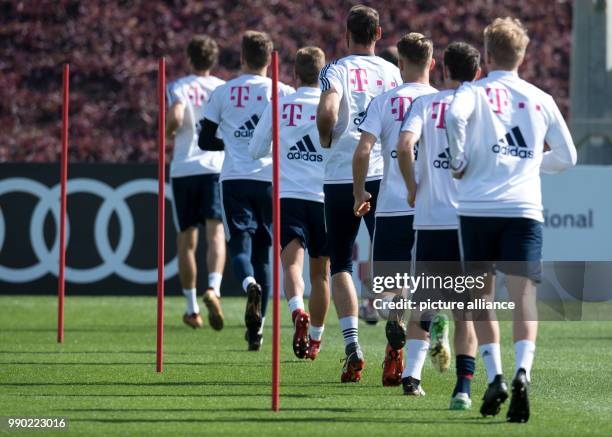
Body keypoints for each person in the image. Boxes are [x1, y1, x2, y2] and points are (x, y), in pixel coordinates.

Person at [445, 18, 577, 422]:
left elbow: (454, 118)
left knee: (479, 297)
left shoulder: (473, 91)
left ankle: (496, 375)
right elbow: (569, 157)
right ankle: (523, 371)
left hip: (477, 209)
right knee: (524, 297)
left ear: (486, 55)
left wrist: (459, 159)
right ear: (523, 55)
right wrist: (532, 164)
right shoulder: (539, 98)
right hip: (523, 208)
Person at [317, 4, 402, 382]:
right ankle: (395, 352)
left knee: (341, 262)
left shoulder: (335, 69)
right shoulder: (393, 71)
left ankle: (352, 346)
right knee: (391, 262)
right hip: (385, 172)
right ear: (378, 34)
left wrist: (326, 137)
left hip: (340, 174)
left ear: (346, 33)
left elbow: (328, 110)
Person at [396, 41, 482, 410]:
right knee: (468, 310)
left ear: (442, 69)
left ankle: (411, 376)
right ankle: (462, 388)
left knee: (425, 300)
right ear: (477, 72)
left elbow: (404, 146)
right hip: (469, 219)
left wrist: (413, 189)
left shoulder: (425, 104)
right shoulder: (482, 105)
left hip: (430, 219)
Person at [199, 31, 295, 351]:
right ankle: (257, 332)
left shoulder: (223, 92)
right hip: (270, 181)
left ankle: (247, 284)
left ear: (242, 57)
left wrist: (232, 141)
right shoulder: (283, 92)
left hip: (235, 179)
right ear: (270, 59)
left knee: (240, 245)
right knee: (264, 252)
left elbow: (205, 140)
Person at [353, 33, 437, 387]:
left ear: (399, 63)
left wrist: (360, 193)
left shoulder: (383, 101)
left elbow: (362, 152)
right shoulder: (440, 102)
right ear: (432, 64)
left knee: (388, 288)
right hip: (431, 207)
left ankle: (392, 315)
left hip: (389, 206)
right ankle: (412, 358)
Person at [249, 47, 330, 360]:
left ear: (294, 74)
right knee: (321, 273)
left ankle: (297, 310)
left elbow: (256, 149)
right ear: (323, 75)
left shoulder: (279, 104)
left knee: (291, 264)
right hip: (324, 197)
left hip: (289, 196)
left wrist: (281, 152)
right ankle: (316, 341)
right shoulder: (332, 105)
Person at [165, 35, 225, 331]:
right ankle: (213, 288)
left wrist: (167, 131)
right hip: (215, 166)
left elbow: (176, 115)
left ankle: (191, 309)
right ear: (213, 61)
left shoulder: (178, 85)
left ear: (189, 59)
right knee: (215, 232)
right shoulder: (221, 88)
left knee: (187, 240)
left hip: (184, 169)